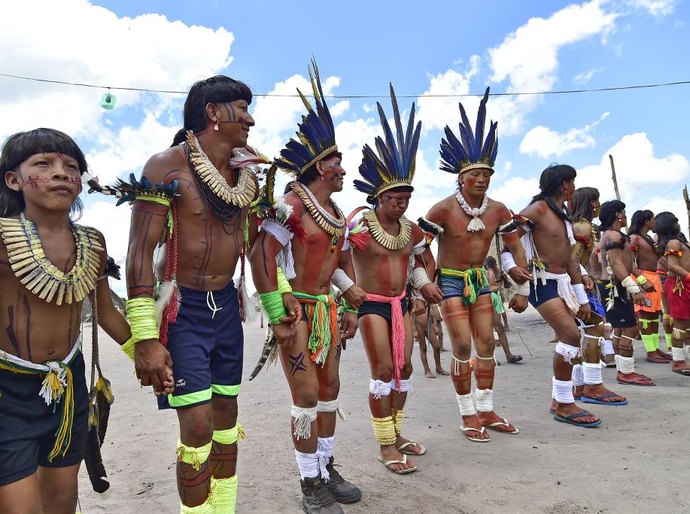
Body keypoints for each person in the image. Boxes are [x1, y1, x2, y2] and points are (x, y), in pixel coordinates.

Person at [120, 75, 261, 513]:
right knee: (197, 425)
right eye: (241, 108)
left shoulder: (247, 175)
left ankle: (224, 510)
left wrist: (280, 303)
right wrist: (145, 336)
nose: (251, 119)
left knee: (226, 418)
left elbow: (259, 247)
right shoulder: (167, 166)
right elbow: (139, 253)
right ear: (213, 113)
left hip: (226, 309)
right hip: (183, 307)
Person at [250, 60, 364, 514]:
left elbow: (330, 260)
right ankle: (308, 483)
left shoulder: (332, 210)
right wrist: (279, 310)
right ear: (320, 164)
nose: (343, 170)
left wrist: (349, 295)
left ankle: (325, 463)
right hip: (296, 312)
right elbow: (262, 256)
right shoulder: (291, 206)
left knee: (331, 388)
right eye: (337, 164)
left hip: (327, 310)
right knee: (307, 395)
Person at [0, 128, 132, 514]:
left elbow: (106, 312)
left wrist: (144, 353)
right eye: (43, 164)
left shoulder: (93, 240)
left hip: (70, 385)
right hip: (8, 388)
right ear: (13, 179)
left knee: (61, 499)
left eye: (70, 166)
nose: (60, 173)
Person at [420, 88, 531, 443]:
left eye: (487, 174)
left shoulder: (498, 209)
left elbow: (514, 247)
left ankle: (486, 408)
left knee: (487, 342)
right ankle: (468, 414)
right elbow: (418, 249)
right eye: (475, 175)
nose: (482, 180)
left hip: (482, 280)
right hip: (451, 281)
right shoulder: (441, 210)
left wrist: (519, 281)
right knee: (463, 345)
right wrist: (425, 282)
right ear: (461, 179)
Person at [348, 85, 443, 474]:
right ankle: (385, 445)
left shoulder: (412, 231)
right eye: (394, 199)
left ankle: (397, 432)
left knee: (404, 370)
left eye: (406, 199)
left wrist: (422, 287)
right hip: (370, 303)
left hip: (400, 302)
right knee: (384, 371)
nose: (402, 204)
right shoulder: (358, 223)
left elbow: (418, 263)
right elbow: (336, 261)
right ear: (379, 198)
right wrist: (345, 289)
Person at [504, 166, 626, 429]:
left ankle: (588, 386)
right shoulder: (537, 209)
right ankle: (562, 401)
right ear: (564, 185)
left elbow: (569, 258)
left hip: (567, 282)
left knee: (592, 325)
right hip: (542, 282)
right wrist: (514, 271)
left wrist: (582, 283)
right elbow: (507, 244)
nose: (573, 187)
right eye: (572, 182)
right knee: (570, 335)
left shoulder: (565, 215)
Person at [568, 187, 626, 405]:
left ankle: (581, 385)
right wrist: (581, 285)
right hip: (581, 286)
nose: (599, 205)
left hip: (582, 285)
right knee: (595, 329)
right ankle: (593, 386)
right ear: (590, 203)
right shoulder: (582, 226)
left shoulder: (582, 226)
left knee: (582, 334)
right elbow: (573, 261)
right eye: (597, 200)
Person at [599, 200, 655, 386]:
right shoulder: (613, 235)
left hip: (617, 284)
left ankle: (623, 369)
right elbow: (616, 264)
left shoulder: (614, 235)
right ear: (617, 215)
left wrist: (642, 281)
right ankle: (626, 372)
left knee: (622, 328)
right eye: (624, 212)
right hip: (615, 286)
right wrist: (633, 288)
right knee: (630, 328)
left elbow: (628, 265)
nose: (626, 216)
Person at [629, 210, 670, 363]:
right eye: (653, 219)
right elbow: (630, 263)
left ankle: (655, 348)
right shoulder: (635, 238)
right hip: (644, 278)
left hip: (654, 278)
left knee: (653, 315)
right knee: (646, 316)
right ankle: (650, 351)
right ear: (646, 222)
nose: (655, 222)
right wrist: (640, 281)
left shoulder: (646, 238)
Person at [654, 211, 690, 375]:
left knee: (686, 323)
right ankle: (678, 361)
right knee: (680, 324)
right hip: (679, 285)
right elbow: (673, 266)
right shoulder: (674, 243)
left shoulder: (678, 242)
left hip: (684, 283)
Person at [484, 256, 522, 364]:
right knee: (486, 332)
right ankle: (489, 359)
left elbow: (493, 288)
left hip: (490, 301)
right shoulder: (478, 271)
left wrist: (492, 289)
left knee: (499, 327)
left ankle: (509, 355)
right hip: (481, 303)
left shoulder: (490, 273)